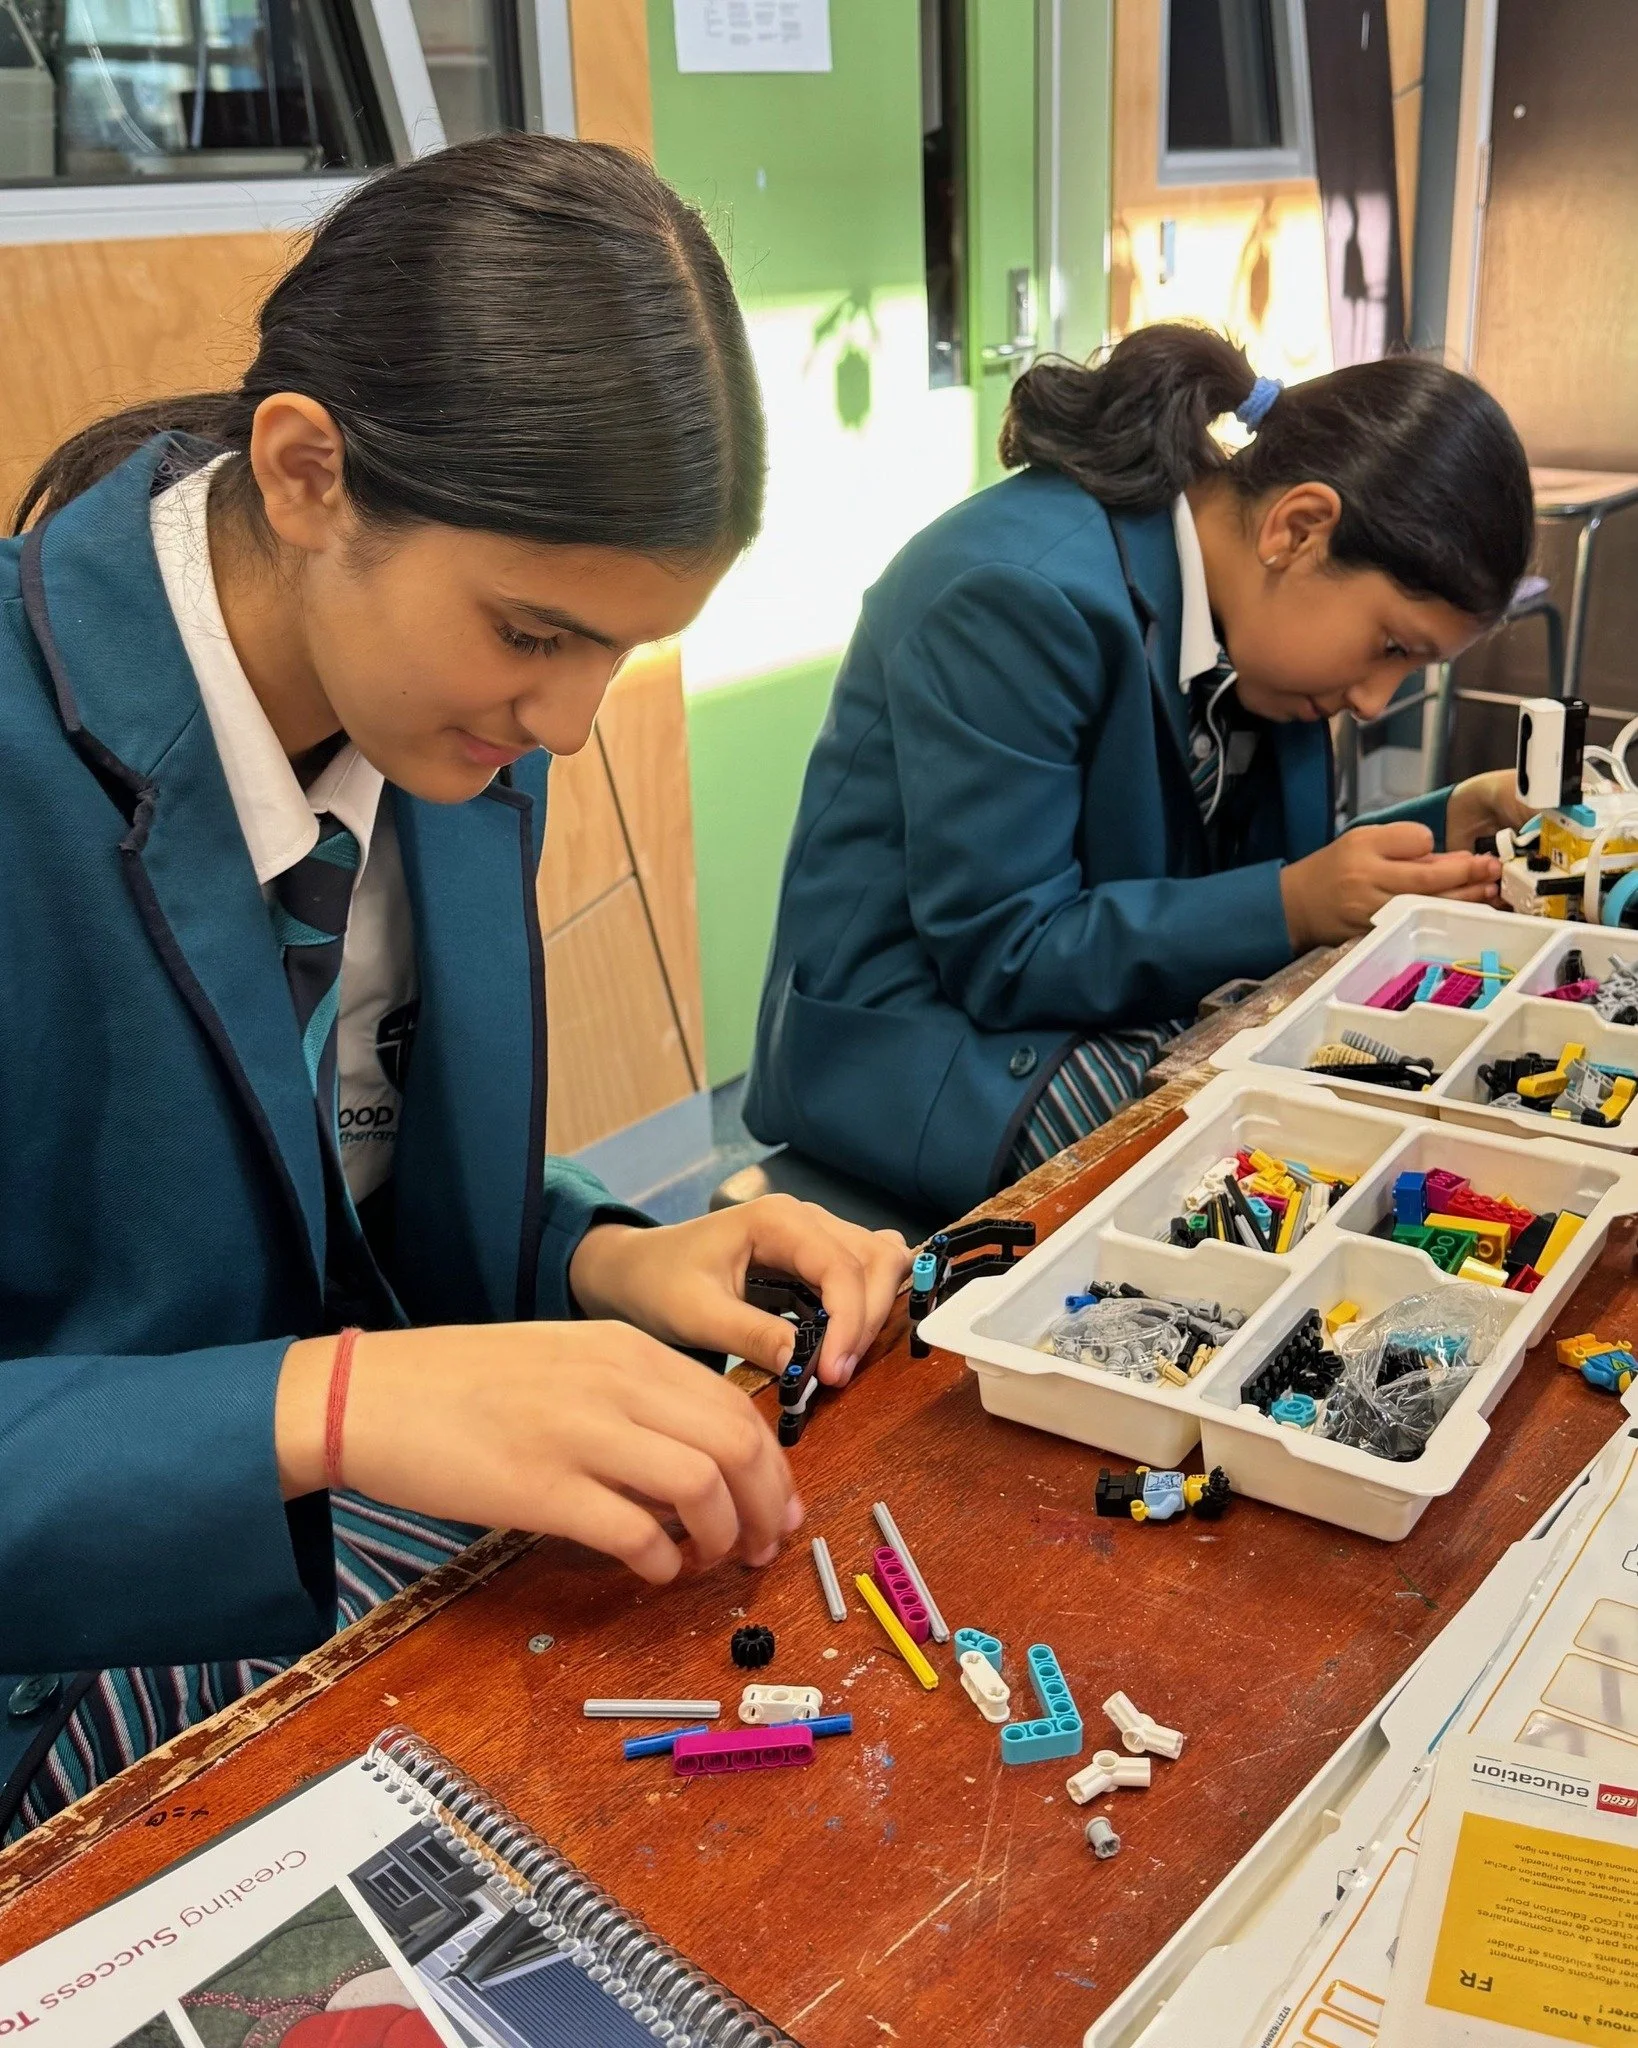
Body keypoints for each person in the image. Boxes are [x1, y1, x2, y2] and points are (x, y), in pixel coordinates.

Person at [0, 134, 908, 1835]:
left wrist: (604, 1249)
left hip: (289, 1507)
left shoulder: (447, 727)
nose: (566, 724)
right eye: (532, 632)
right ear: (302, 473)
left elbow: (327, 1153)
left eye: (621, 652)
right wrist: (331, 1398)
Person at [744, 324, 1536, 1218]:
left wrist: (1447, 823)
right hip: (923, 1044)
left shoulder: (1250, 625)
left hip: (1081, 1000)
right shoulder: (1016, 592)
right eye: (1390, 646)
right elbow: (1009, 952)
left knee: (1368, 1103)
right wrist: (1295, 903)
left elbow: (1275, 877)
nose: (1372, 700)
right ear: (1299, 528)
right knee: (1280, 1177)